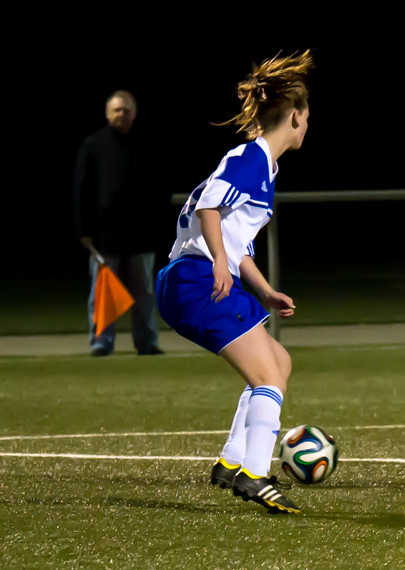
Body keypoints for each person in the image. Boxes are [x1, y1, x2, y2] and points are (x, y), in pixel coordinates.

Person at [156, 51, 313, 514]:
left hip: (199, 276)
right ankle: (256, 475)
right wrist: (220, 262)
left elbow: (232, 236)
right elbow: (208, 206)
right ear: (296, 117)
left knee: (277, 363)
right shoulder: (249, 157)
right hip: (194, 279)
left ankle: (233, 462)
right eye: (308, 117)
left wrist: (262, 288)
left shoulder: (264, 165)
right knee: (266, 375)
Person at [74, 90, 163, 357]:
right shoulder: (93, 144)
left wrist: (156, 221)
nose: (121, 114)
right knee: (102, 292)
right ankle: (101, 342)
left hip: (141, 234)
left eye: (126, 110)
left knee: (144, 292)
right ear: (107, 113)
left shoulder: (148, 144)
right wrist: (83, 230)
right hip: (105, 234)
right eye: (117, 110)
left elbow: (161, 186)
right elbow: (81, 188)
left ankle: (146, 340)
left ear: (134, 113)